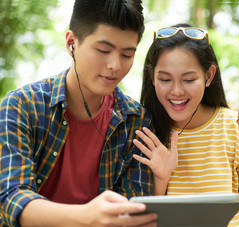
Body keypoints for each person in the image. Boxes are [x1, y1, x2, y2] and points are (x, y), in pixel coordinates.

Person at [0, 1, 158, 226]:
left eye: (126, 55)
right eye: (103, 50)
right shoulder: (22, 106)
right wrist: (86, 217)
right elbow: (10, 199)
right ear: (71, 43)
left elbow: (132, 208)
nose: (115, 65)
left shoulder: (137, 122)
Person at [132, 24, 239, 227]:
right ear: (152, 77)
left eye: (188, 79)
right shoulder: (145, 131)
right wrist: (162, 178)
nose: (176, 91)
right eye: (165, 79)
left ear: (208, 76)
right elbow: (147, 219)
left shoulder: (236, 127)